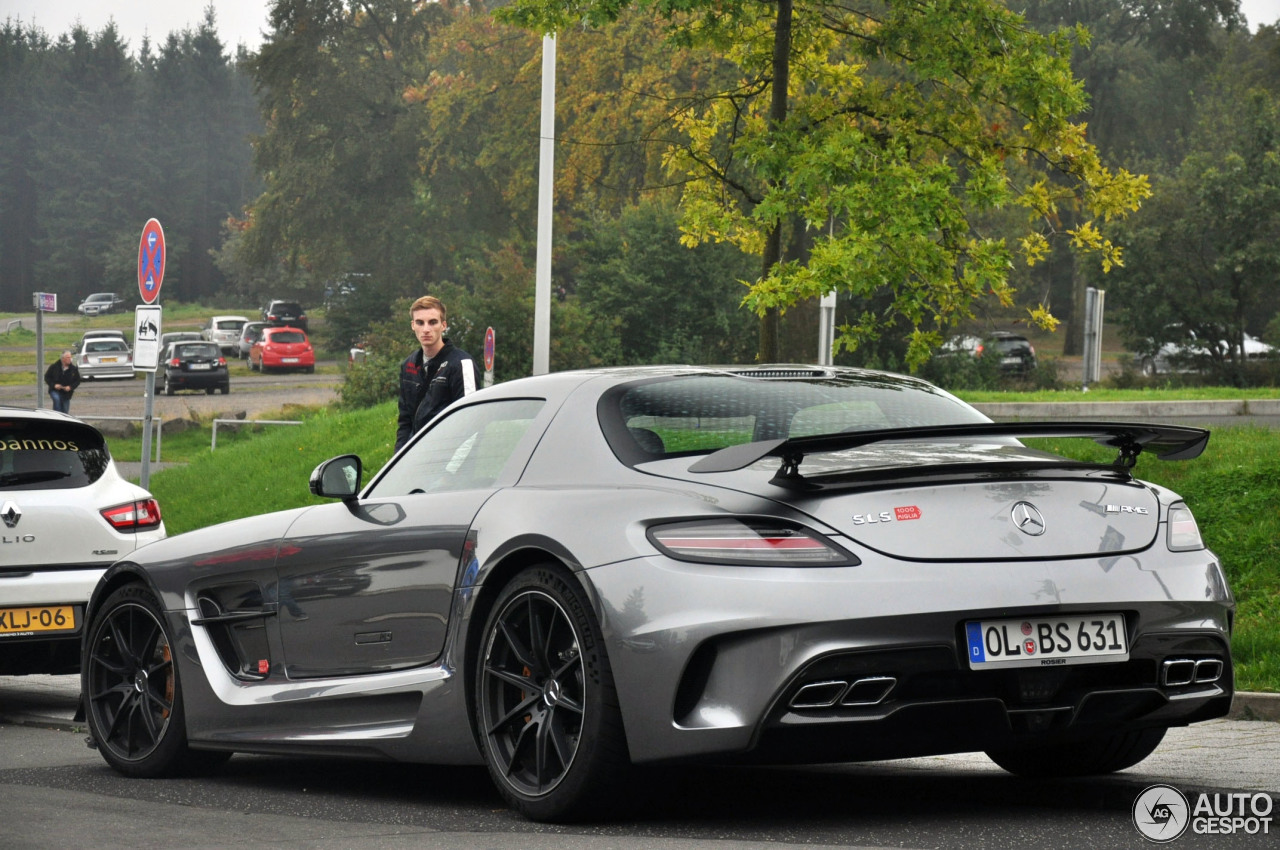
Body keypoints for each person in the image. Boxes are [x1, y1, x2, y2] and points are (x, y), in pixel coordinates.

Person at [396, 296, 480, 450]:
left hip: (446, 460)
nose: (426, 329)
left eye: (433, 322)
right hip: (414, 459)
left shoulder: (462, 364)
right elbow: (405, 422)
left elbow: (471, 425)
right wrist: (397, 463)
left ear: (443, 325)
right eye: (420, 323)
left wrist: (450, 472)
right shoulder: (408, 365)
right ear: (412, 325)